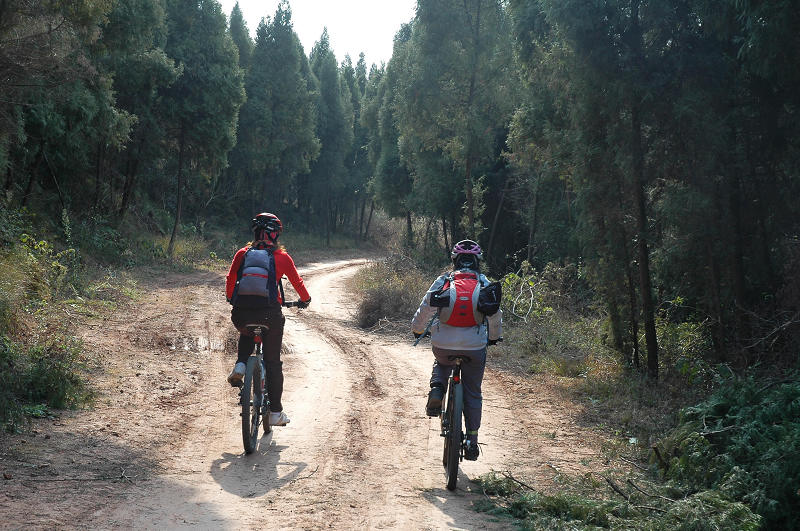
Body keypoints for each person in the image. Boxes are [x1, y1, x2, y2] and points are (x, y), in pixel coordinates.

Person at [411, 239, 502, 461]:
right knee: (473, 391)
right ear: (478, 261)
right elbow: (495, 314)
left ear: (454, 260)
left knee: (442, 362)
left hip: (443, 343)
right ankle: (472, 440)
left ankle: (437, 389)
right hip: (474, 346)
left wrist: (417, 330)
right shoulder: (483, 282)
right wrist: (493, 338)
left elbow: (426, 306)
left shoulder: (444, 280)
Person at [225, 212, 311, 427]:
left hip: (242, 314)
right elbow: (297, 282)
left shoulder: (242, 254)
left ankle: (241, 364)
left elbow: (231, 279)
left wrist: (231, 298)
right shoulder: (282, 257)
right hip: (270, 315)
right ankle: (275, 413)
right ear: (276, 235)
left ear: (255, 233)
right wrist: (305, 299)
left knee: (247, 329)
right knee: (273, 362)